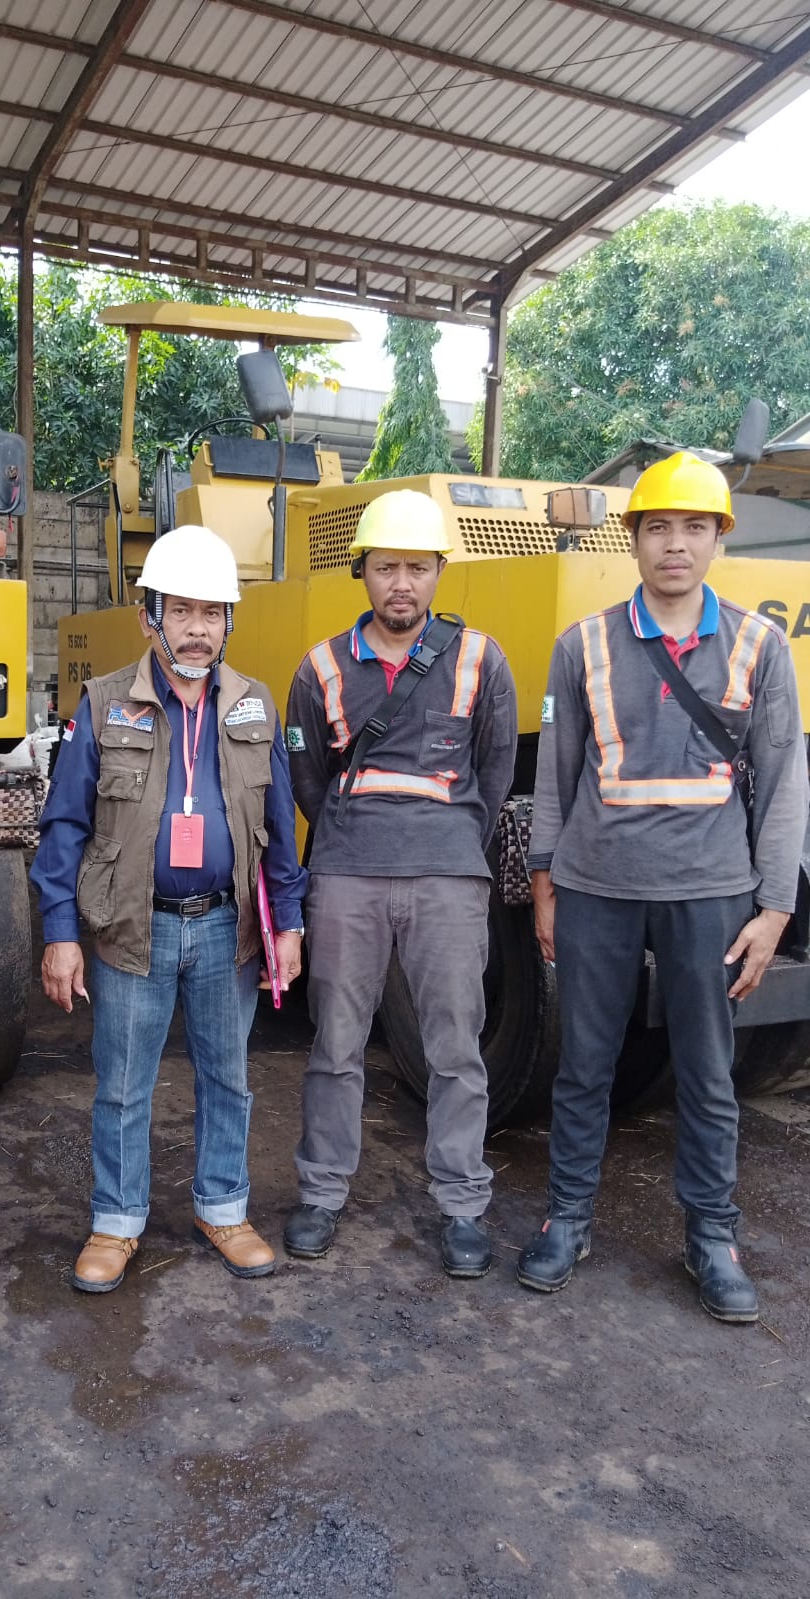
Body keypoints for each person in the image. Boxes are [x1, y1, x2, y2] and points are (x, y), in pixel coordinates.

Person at [518, 453, 809, 1323]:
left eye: (693, 527)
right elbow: (558, 773)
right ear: (635, 539)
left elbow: (784, 782)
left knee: (709, 1074)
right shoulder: (583, 645)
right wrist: (543, 880)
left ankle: (712, 1237)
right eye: (657, 527)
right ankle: (567, 1219)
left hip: (711, 895)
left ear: (719, 539)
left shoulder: (760, 647)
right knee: (584, 1066)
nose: (674, 544)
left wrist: (775, 909)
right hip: (596, 889)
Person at [31, 524, 307, 1292]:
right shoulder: (104, 703)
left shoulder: (253, 705)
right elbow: (64, 825)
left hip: (227, 927)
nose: (196, 628)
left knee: (228, 1078)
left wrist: (288, 922)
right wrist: (60, 932)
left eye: (211, 612)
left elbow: (281, 826)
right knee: (122, 1085)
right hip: (132, 928)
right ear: (150, 615)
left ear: (229, 621)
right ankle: (116, 1222)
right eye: (180, 610)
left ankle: (224, 1208)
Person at [282, 490, 518, 1274]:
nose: (402, 583)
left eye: (418, 567)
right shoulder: (320, 666)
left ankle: (462, 1204)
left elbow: (494, 768)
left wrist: (449, 838)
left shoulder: (481, 658)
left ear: (440, 571)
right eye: (387, 567)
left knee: (455, 1047)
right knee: (336, 1042)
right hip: (348, 872)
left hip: (448, 876)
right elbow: (308, 776)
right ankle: (321, 1192)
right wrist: (350, 833)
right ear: (363, 571)